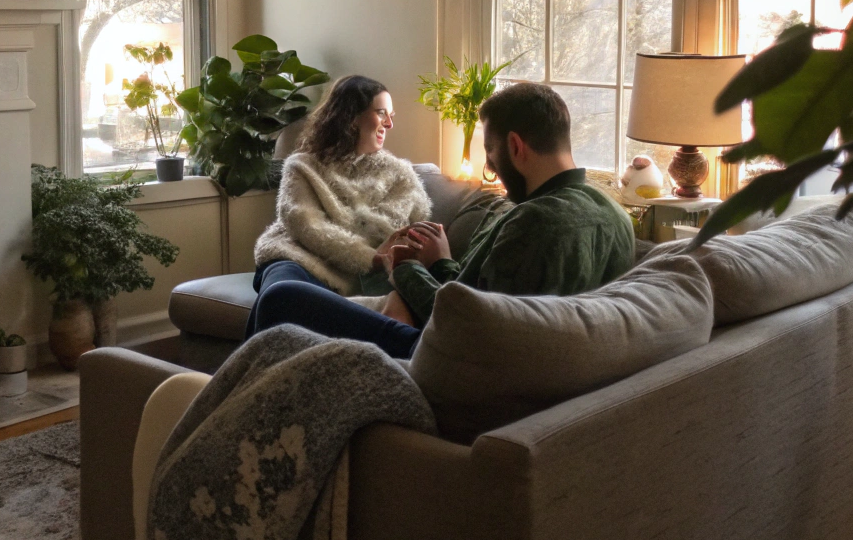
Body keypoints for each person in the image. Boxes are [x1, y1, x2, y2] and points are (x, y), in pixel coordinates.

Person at [250, 81, 636, 358]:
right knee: (280, 290)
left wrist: (403, 267)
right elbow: (488, 302)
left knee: (280, 299)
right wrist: (442, 262)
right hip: (518, 355)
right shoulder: (617, 217)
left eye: (490, 151)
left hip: (452, 358)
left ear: (516, 146)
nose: (489, 166)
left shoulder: (533, 222)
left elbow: (466, 320)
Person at [247, 75, 431, 329]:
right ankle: (408, 345)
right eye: (381, 113)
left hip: (352, 279)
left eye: (392, 116)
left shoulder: (401, 176)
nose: (389, 124)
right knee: (279, 295)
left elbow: (415, 230)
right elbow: (304, 223)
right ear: (351, 117)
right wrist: (372, 258)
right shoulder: (304, 165)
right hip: (294, 258)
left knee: (283, 307)